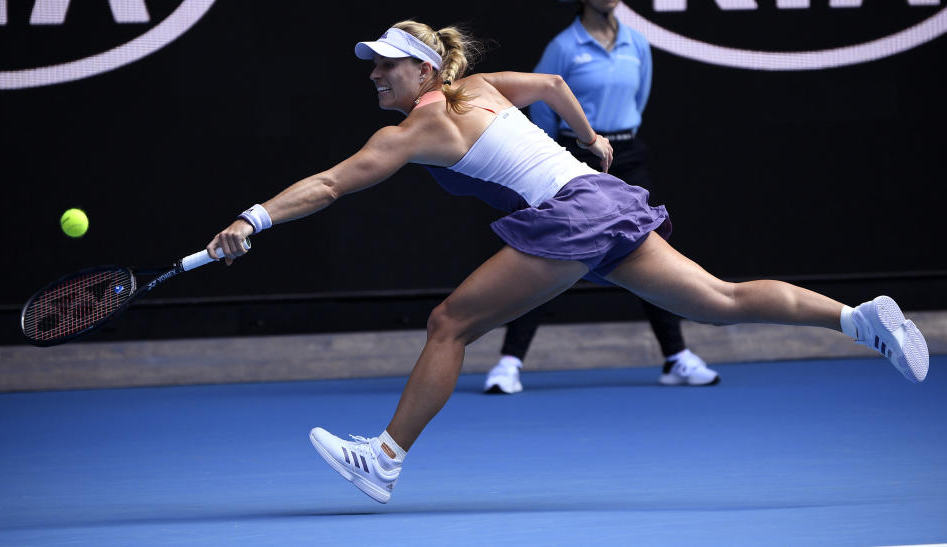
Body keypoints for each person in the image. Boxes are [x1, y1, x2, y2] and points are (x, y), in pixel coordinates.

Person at [206, 21, 929, 505]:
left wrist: (252, 218)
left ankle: (386, 457)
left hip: (569, 218)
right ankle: (860, 319)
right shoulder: (480, 88)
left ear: (423, 68)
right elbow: (553, 89)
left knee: (449, 322)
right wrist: (594, 141)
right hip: (599, 194)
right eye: (370, 68)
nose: (373, 76)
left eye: (385, 65)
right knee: (720, 297)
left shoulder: (418, 126)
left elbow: (331, 183)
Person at [483, 0, 717, 395]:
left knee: (652, 250)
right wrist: (572, 147)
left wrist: (615, 142)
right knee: (549, 254)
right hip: (576, 158)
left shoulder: (638, 44)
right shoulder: (563, 46)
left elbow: (637, 102)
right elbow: (541, 108)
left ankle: (676, 356)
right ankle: (510, 362)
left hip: (628, 156)